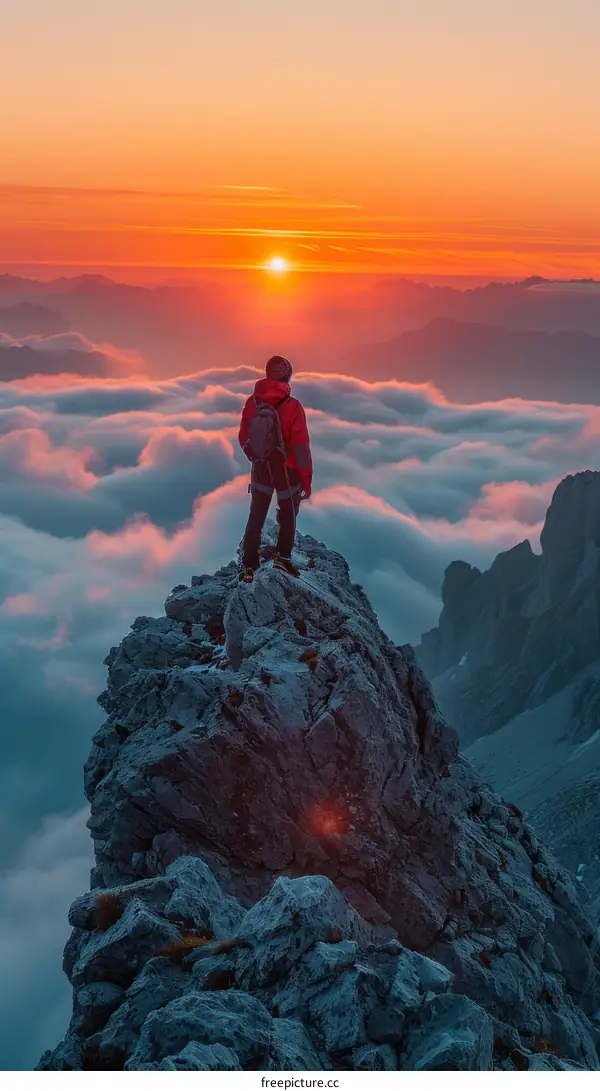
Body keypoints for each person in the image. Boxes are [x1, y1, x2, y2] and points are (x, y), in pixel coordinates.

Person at [238, 355, 312, 582]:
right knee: (288, 514)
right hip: (286, 469)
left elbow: (244, 436)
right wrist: (306, 480)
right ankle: (283, 558)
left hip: (261, 467)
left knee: (256, 515)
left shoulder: (253, 402)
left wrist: (256, 457)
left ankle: (249, 566)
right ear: (287, 375)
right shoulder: (293, 406)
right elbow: (300, 447)